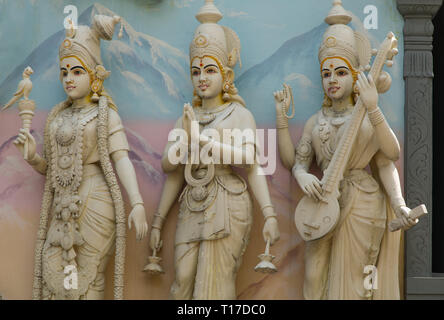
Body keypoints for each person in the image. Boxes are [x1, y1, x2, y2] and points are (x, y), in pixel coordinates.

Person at [274, 0, 416, 299]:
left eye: (340, 73)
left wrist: (400, 203)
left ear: (355, 75)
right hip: (322, 199)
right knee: (313, 278)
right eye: (326, 74)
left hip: (362, 204)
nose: (332, 80)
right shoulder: (315, 121)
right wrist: (303, 177)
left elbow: (389, 158)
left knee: (353, 281)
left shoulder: (366, 114)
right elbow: (298, 163)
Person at [149, 0, 280, 300]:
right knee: (181, 282)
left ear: (226, 75)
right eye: (196, 72)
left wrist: (269, 214)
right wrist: (158, 220)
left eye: (210, 70)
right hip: (192, 201)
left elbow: (250, 161)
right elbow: (170, 169)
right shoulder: (187, 117)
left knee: (215, 286)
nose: (202, 78)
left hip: (228, 202)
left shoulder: (238, 115)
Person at [14, 15, 148, 300]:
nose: (69, 79)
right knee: (56, 279)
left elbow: (121, 158)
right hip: (63, 207)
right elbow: (53, 169)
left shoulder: (105, 115)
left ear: (94, 75)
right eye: (64, 73)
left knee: (86, 281)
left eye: (77, 71)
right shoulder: (57, 117)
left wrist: (136, 202)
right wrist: (33, 158)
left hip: (95, 203)